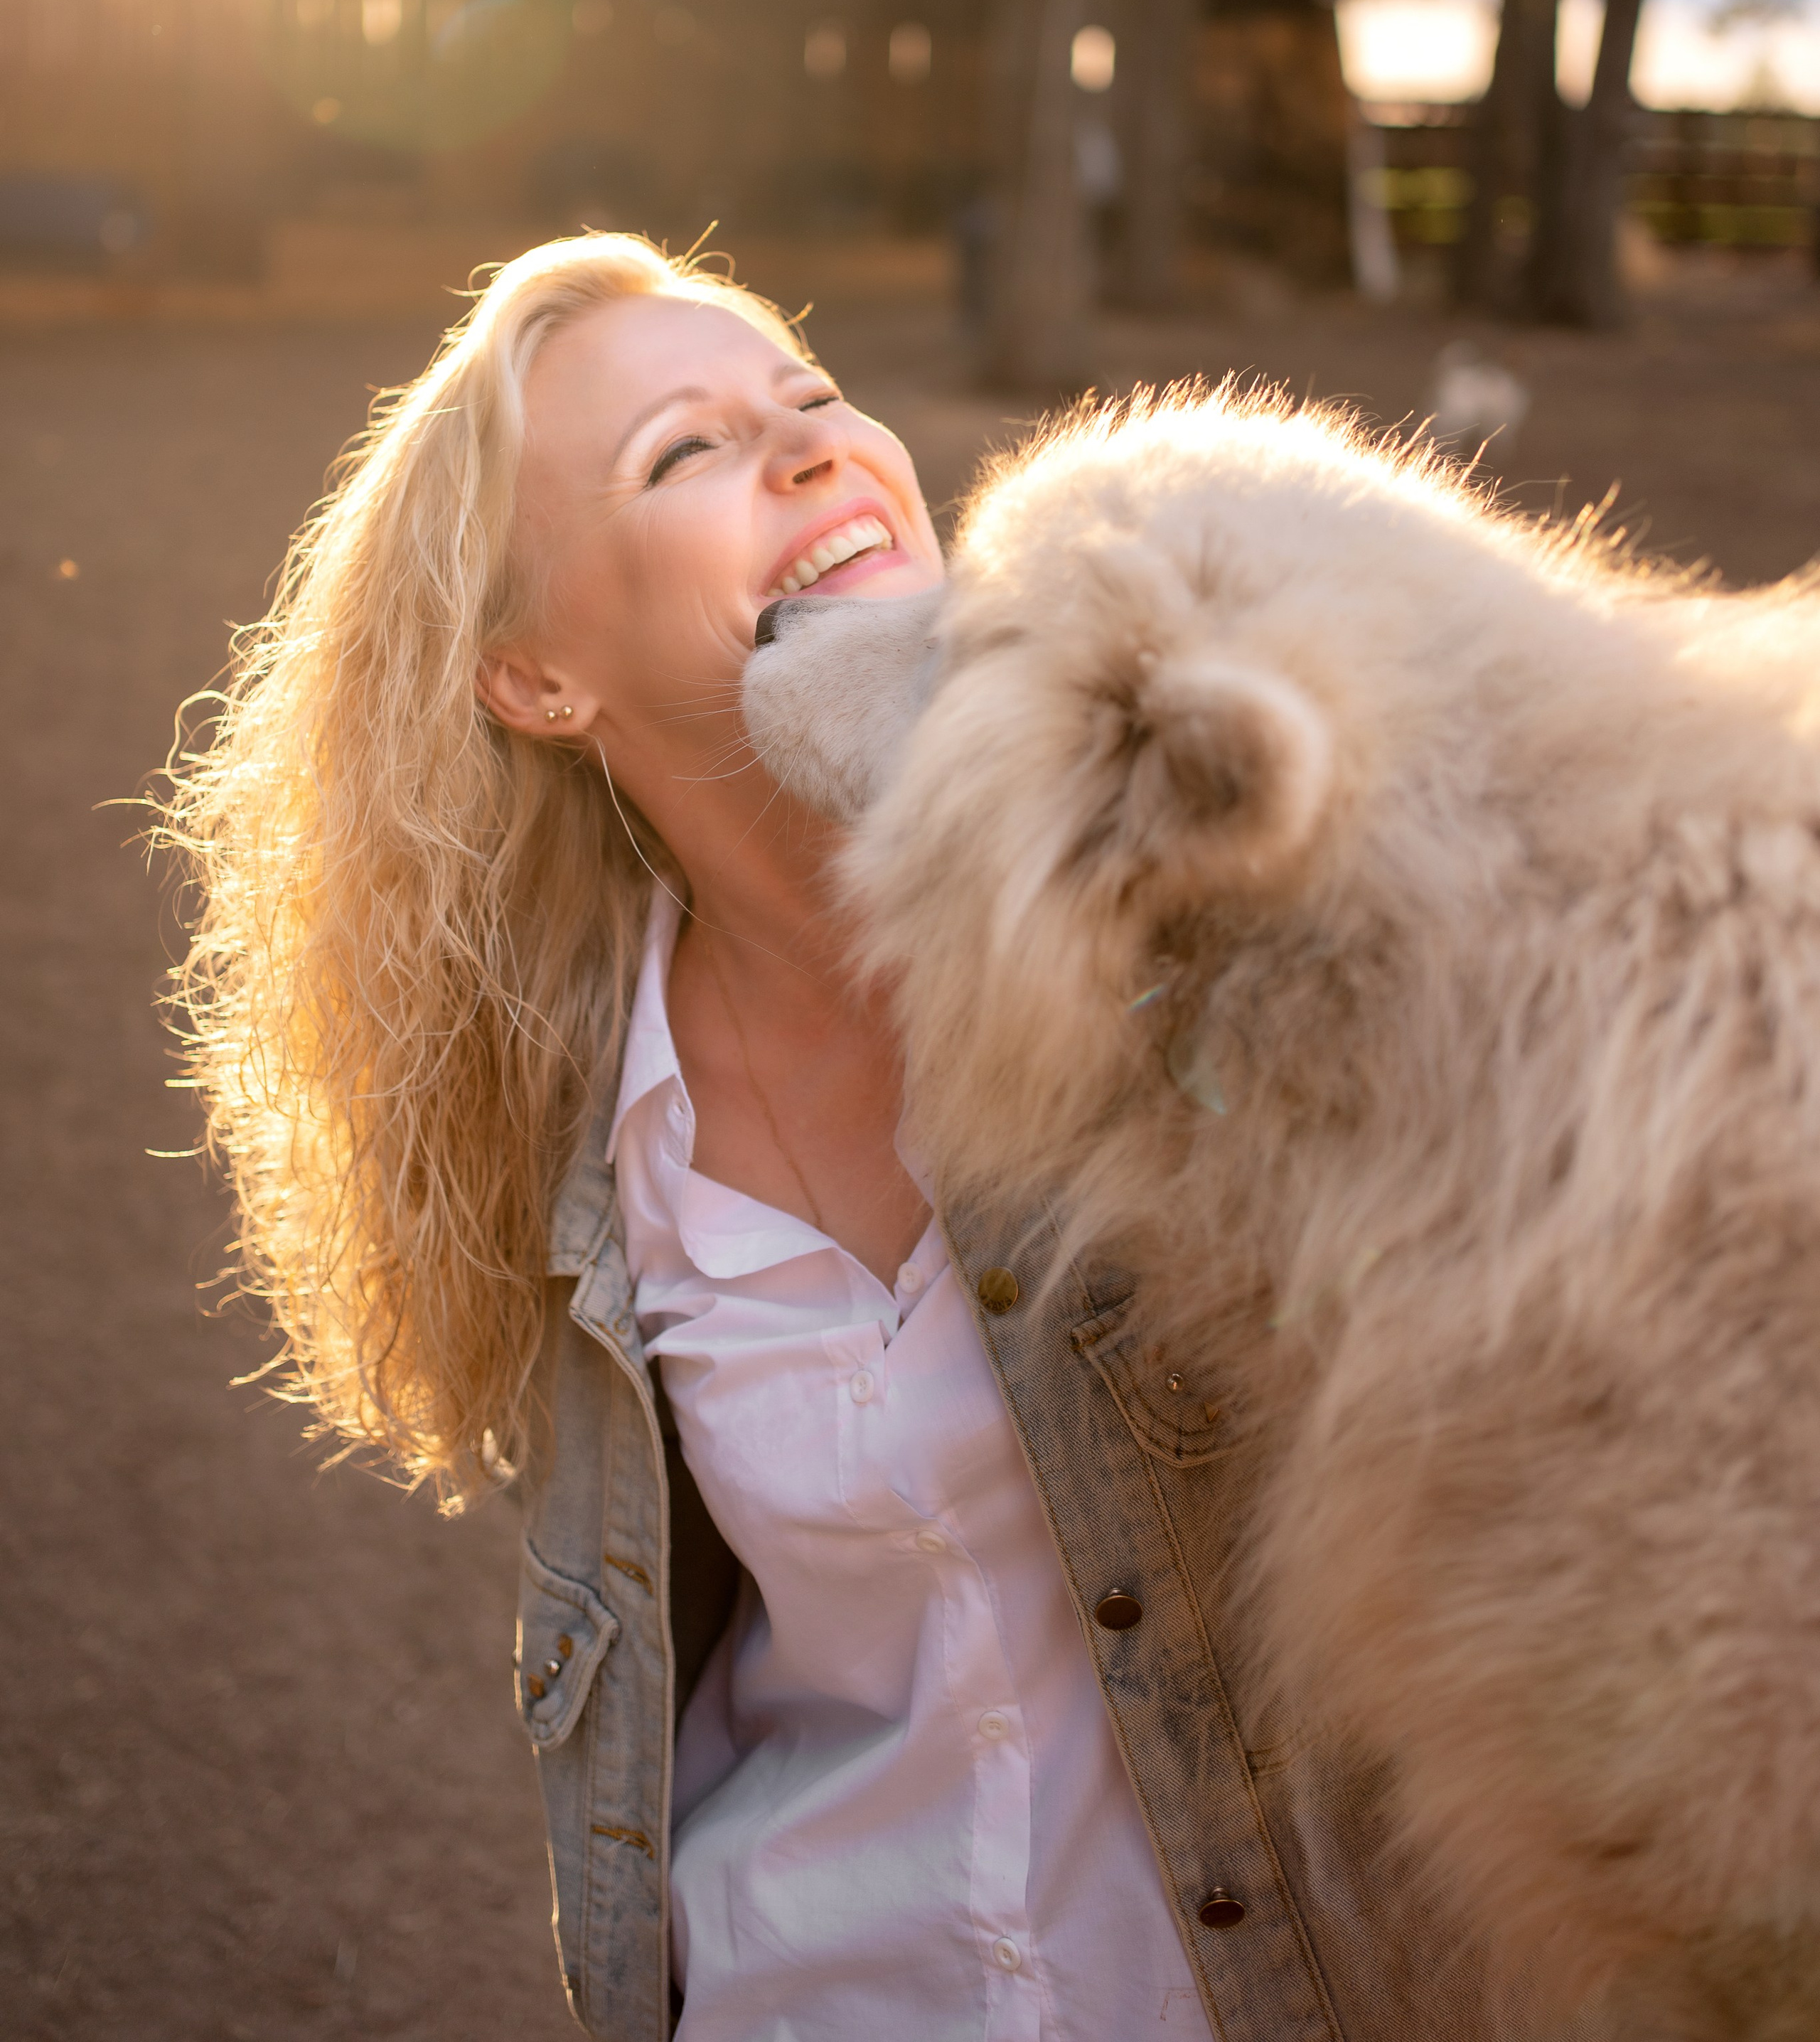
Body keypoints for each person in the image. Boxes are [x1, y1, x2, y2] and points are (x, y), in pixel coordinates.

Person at [169, 233, 1486, 2042]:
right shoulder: (579, 1153)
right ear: (537, 677)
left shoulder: (1209, 920)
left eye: (805, 397)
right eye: (680, 456)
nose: (811, 451)